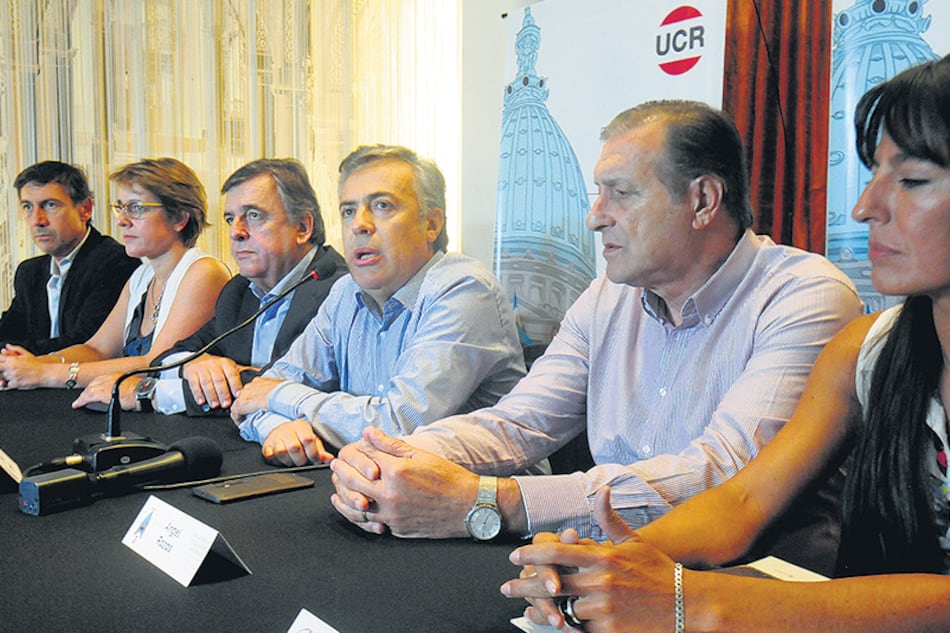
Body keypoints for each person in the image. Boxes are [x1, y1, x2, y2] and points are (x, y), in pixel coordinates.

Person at [502, 56, 950, 633]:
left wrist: (691, 599)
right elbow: (741, 501)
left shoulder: (806, 293)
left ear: (704, 201)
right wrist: (609, 565)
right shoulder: (866, 352)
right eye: (874, 175)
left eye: (912, 181)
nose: (866, 207)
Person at [329, 101, 863, 544]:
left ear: (702, 200)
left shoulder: (804, 296)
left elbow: (723, 476)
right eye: (597, 193)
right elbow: (519, 423)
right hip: (611, 563)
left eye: (621, 194)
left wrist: (491, 501)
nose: (595, 216)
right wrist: (388, 458)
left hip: (751, 580)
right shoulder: (609, 294)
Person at [229, 145, 526, 465]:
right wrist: (279, 427)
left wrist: (280, 397)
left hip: (483, 489)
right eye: (348, 211)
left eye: (382, 206)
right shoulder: (345, 293)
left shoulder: (465, 290)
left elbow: (398, 427)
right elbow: (258, 394)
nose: (359, 224)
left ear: (431, 224)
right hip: (374, 481)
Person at [72, 158, 345, 414]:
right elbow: (170, 355)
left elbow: (279, 388)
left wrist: (147, 393)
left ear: (303, 227)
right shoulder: (240, 290)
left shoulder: (337, 290)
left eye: (253, 216)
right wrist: (196, 363)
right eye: (230, 219)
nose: (236, 232)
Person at [0, 157, 230, 395]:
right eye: (121, 207)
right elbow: (96, 350)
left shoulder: (203, 271)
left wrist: (45, 373)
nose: (121, 221)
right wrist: (28, 364)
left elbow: (156, 365)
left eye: (137, 208)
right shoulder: (142, 277)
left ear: (180, 218)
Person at [0, 161, 139, 354]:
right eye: (28, 207)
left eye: (50, 205)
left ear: (85, 209)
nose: (37, 220)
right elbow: (8, 332)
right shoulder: (29, 272)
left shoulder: (116, 263)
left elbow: (86, 343)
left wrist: (15, 356)